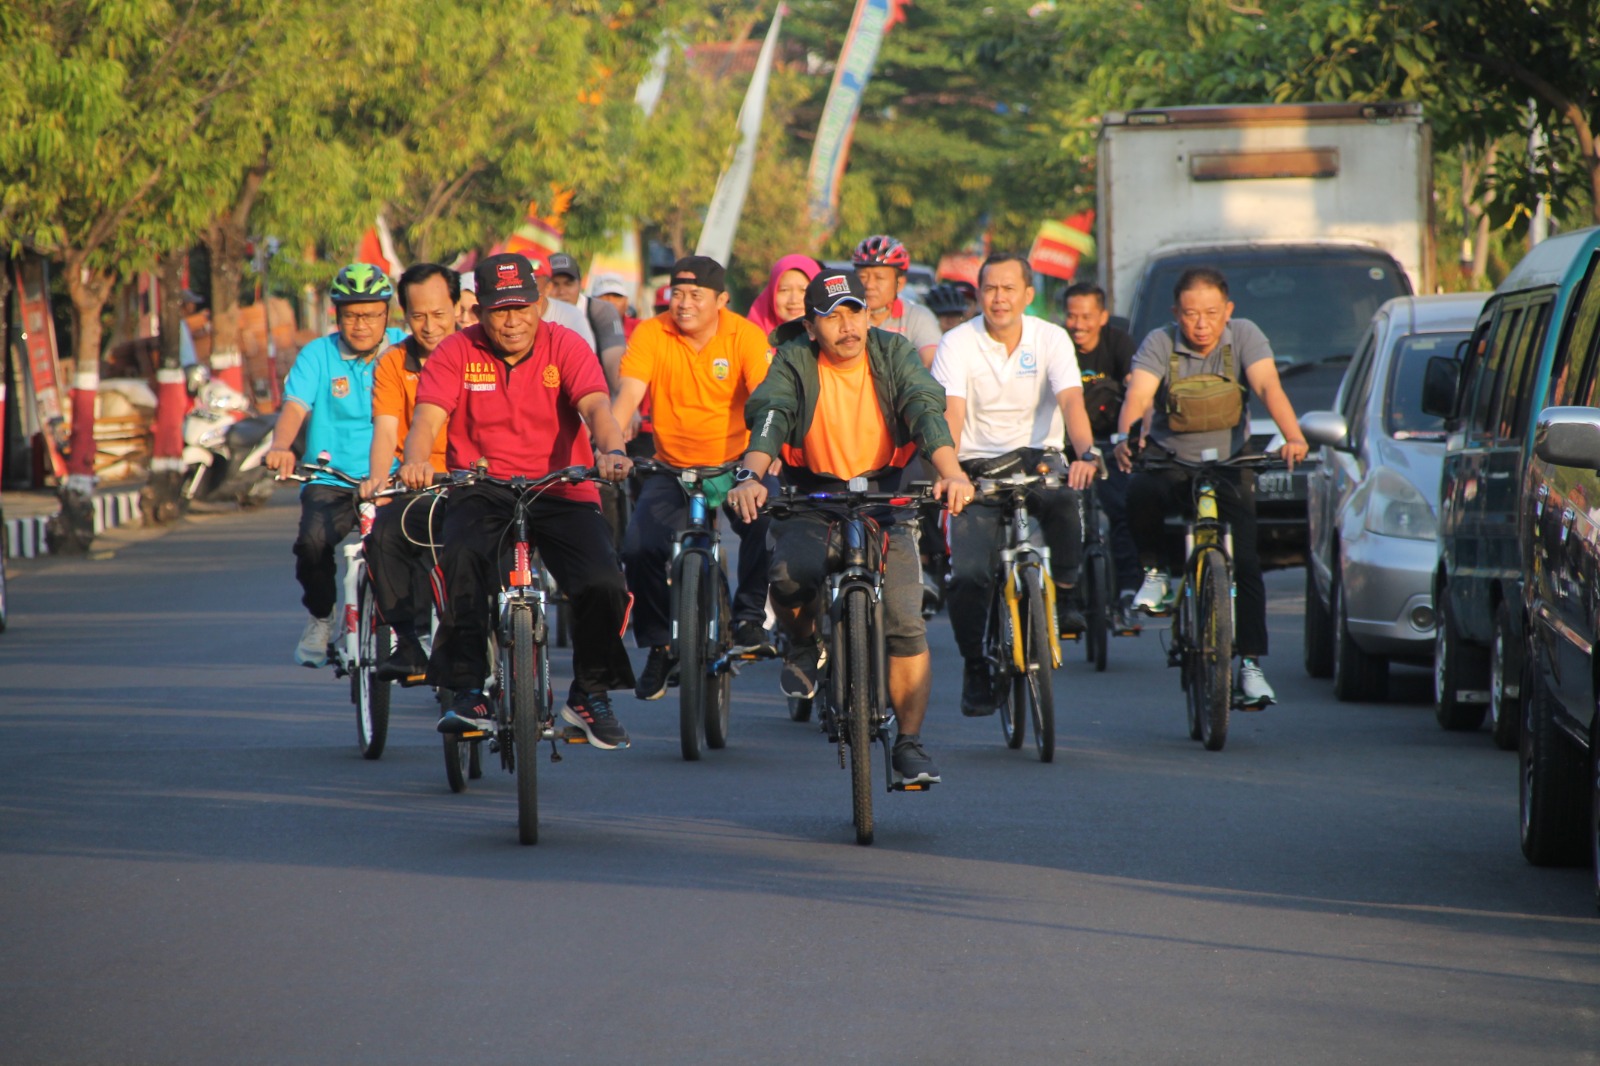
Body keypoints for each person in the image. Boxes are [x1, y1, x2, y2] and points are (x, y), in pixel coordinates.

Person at [727, 269, 976, 786]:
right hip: (812, 493)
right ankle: (801, 642)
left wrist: (950, 473)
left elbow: (925, 409)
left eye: (854, 312)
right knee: (790, 576)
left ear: (869, 314)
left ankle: (908, 743)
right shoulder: (795, 358)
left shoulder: (894, 352)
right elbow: (771, 415)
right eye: (832, 316)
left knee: (907, 619)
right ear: (811, 327)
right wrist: (751, 474)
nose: (847, 326)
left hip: (885, 493)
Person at [398, 252, 637, 748]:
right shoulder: (456, 351)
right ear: (478, 310)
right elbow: (428, 415)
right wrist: (416, 460)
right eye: (499, 310)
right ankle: (467, 691)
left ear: (541, 304)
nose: (512, 321)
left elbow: (595, 404)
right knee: (461, 564)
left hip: (561, 485)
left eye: (522, 308)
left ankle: (590, 695)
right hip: (481, 488)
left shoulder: (566, 345)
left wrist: (611, 449)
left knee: (603, 580)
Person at [1111, 266, 1309, 706]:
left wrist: (1292, 435)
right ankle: (1156, 572)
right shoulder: (1160, 342)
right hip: (1171, 458)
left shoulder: (1244, 335)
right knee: (1140, 492)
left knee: (1249, 562)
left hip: (1231, 460)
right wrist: (1128, 439)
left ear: (1228, 311)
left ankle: (1251, 666)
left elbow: (1266, 385)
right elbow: (1139, 396)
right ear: (1175, 313)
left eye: (1211, 313)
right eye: (1190, 314)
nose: (1201, 324)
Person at [933, 254, 1101, 716]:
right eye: (990, 288)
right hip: (975, 468)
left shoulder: (1051, 338)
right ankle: (975, 666)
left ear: (1028, 295)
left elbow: (1071, 401)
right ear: (979, 293)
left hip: (1038, 462)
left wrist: (1086, 454)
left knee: (1066, 499)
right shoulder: (957, 343)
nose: (999, 298)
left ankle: (1066, 594)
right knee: (967, 576)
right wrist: (951, 473)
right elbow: (951, 414)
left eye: (1009, 289)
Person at [610, 256, 778, 699]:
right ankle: (659, 644)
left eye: (696, 296)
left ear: (721, 300)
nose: (683, 304)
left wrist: (765, 457)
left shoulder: (743, 335)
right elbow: (628, 393)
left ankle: (747, 620)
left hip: (736, 466)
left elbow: (766, 399)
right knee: (638, 547)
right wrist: (611, 446)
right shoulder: (652, 332)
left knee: (767, 519)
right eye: (678, 294)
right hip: (673, 468)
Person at [265, 263, 406, 667]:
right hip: (332, 477)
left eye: (371, 314)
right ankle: (321, 618)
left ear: (387, 314)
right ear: (337, 315)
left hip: (393, 478)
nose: (361, 324)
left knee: (418, 546)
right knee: (312, 544)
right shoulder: (318, 355)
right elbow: (295, 406)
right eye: (350, 315)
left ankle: (415, 627)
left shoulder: (403, 348)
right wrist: (281, 446)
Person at [358, 262, 460, 682]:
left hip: (474, 482)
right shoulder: (392, 364)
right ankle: (408, 640)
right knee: (381, 533)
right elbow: (385, 431)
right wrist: (379, 482)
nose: (430, 327)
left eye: (439, 315)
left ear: (458, 308)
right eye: (418, 316)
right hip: (418, 484)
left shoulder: (478, 357)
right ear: (404, 316)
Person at [1063, 281, 1141, 624]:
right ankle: (1065, 591)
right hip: (1067, 445)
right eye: (1072, 316)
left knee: (1123, 510)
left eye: (1087, 316)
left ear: (1103, 317)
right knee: (1065, 514)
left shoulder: (1118, 342)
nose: (1078, 324)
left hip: (1111, 441)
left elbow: (1137, 389)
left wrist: (1129, 437)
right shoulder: (1058, 344)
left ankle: (1128, 588)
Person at [852, 235, 942, 366]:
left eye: (879, 278)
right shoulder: (846, 318)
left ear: (900, 283)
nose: (869, 285)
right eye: (863, 276)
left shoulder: (918, 317)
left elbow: (931, 361)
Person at [547, 251, 627, 385]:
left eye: (568, 284)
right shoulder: (532, 314)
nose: (561, 292)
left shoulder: (601, 311)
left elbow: (615, 362)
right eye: (555, 284)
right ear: (544, 287)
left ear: (580, 284)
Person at [745, 254, 821, 336]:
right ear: (771, 294)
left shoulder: (832, 341)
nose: (794, 300)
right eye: (784, 290)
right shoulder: (749, 337)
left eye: (804, 290)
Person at [589, 274, 639, 339]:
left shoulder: (641, 329)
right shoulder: (580, 328)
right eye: (604, 297)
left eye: (617, 297)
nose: (611, 303)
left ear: (626, 302)